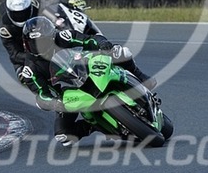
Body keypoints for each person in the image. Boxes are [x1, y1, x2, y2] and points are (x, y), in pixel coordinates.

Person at [20, 16, 155, 146]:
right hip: (68, 95)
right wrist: (53, 103)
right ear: (26, 44)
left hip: (87, 69)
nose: (40, 46)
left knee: (120, 52)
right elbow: (41, 94)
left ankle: (140, 76)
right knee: (63, 135)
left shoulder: (64, 37)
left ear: (52, 36)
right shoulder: (30, 69)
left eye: (43, 41)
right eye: (34, 43)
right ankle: (93, 125)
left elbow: (89, 39)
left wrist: (102, 44)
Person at [0, 0, 156, 89]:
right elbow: (14, 54)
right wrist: (37, 57)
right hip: (27, 56)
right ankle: (57, 97)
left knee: (80, 39)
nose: (21, 16)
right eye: (17, 14)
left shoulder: (35, 7)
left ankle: (137, 74)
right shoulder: (5, 28)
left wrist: (67, 3)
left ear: (29, 7)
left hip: (46, 42)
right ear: (10, 12)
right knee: (25, 78)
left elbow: (51, 4)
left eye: (24, 12)